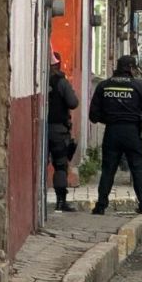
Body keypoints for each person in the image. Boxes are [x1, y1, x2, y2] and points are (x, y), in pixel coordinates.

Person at [89, 55, 142, 215]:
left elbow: (93, 116)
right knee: (138, 169)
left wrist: (110, 118)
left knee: (108, 170)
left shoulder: (104, 86)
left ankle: (101, 206)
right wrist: (139, 120)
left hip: (112, 132)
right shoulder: (139, 87)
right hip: (132, 132)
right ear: (131, 68)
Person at [48, 52, 79, 212]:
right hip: (58, 130)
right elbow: (73, 103)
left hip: (41, 129)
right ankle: (61, 201)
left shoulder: (39, 79)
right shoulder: (61, 82)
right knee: (60, 165)